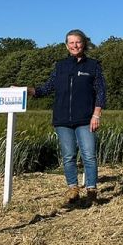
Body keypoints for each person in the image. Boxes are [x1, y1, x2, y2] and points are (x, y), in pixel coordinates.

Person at [28, 29, 106, 205]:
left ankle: (92, 191)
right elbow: (46, 88)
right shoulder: (61, 66)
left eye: (78, 42)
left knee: (89, 155)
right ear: (66, 45)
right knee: (68, 156)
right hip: (62, 119)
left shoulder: (93, 65)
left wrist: (96, 115)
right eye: (71, 43)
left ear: (84, 43)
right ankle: (73, 189)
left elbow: (101, 92)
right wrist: (26, 91)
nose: (74, 45)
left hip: (86, 119)